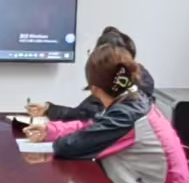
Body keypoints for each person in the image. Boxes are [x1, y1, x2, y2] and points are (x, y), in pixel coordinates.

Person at [25, 45, 189, 183]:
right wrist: (50, 130)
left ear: (95, 89)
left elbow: (70, 147)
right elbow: (95, 126)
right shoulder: (133, 102)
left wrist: (57, 141)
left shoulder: (127, 116)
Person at [27, 26, 156, 121]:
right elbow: (84, 114)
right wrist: (49, 109)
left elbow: (90, 120)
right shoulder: (127, 81)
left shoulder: (125, 91)